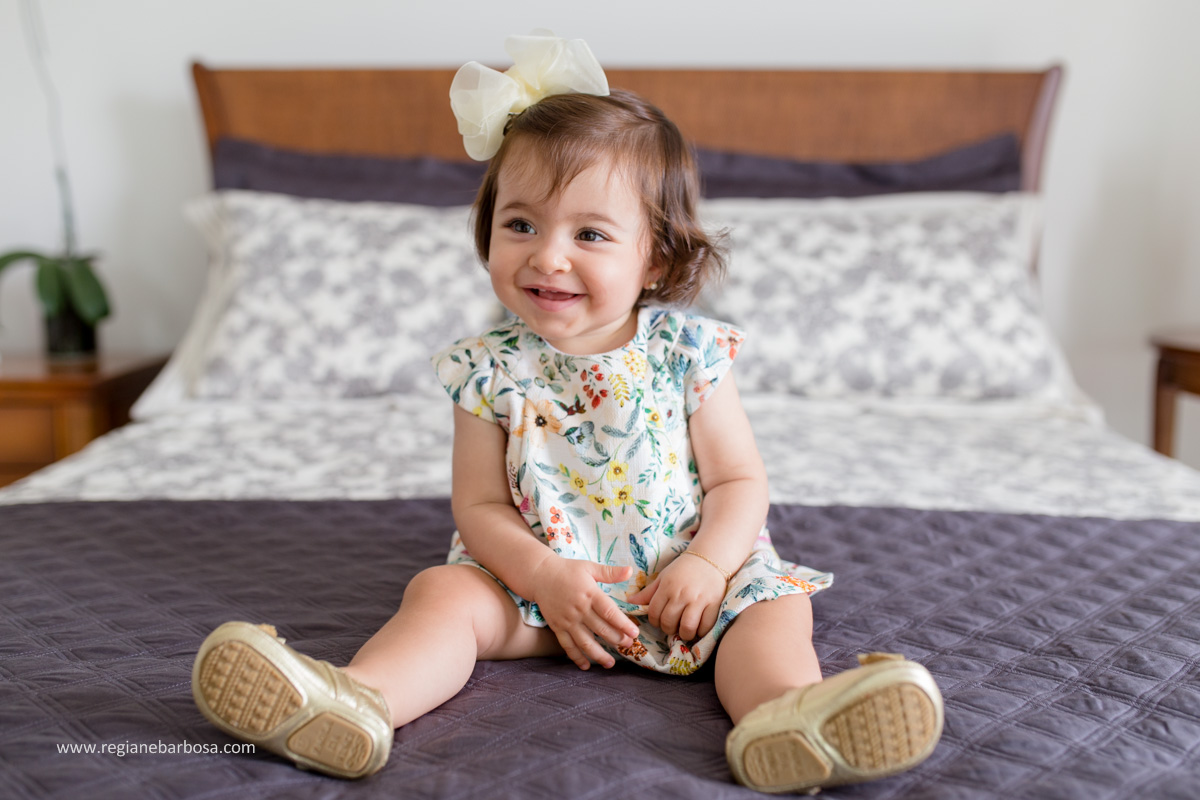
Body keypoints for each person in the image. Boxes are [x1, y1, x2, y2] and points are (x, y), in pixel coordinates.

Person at [191, 32, 944, 794]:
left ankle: (789, 718)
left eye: (589, 234)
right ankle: (356, 702)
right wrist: (547, 576)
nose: (548, 256)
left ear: (654, 258)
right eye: (520, 224)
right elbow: (480, 507)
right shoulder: (486, 370)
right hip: (542, 592)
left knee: (775, 610)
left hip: (690, 589)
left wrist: (709, 566)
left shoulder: (688, 352)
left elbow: (739, 482)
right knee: (443, 595)